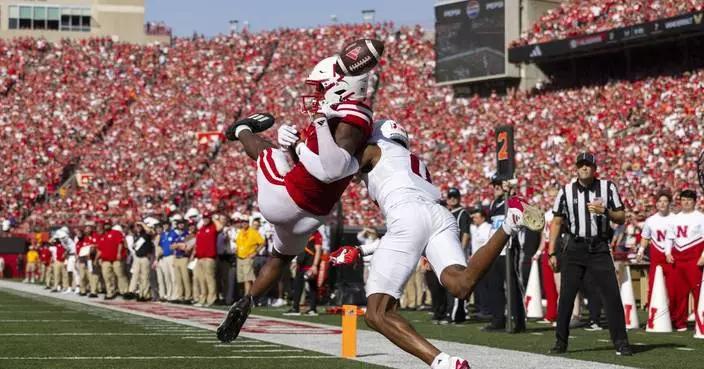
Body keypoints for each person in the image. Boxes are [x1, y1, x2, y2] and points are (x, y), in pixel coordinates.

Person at [329, 120, 542, 369]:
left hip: (407, 213)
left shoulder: (377, 149)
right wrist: (361, 250)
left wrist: (304, 145)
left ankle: (442, 363)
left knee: (377, 313)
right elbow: (411, 224)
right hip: (439, 216)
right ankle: (510, 223)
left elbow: (338, 165)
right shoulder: (413, 160)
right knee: (460, 284)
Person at [217, 55, 374, 343]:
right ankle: (247, 302)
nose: (316, 94)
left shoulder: (351, 117)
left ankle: (240, 129)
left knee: (269, 153)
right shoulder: (346, 116)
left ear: (339, 86)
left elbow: (330, 169)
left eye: (320, 87)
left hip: (286, 199)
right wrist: (299, 143)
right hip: (313, 215)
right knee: (280, 257)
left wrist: (295, 145)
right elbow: (327, 161)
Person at [547, 152, 631, 356]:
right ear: (576, 168)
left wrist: (605, 212)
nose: (584, 168)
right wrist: (551, 251)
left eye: (588, 165)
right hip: (575, 247)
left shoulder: (607, 187)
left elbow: (621, 217)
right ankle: (560, 342)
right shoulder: (566, 191)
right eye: (581, 165)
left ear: (595, 168)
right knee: (566, 296)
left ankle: (621, 342)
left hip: (599, 247)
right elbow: (556, 221)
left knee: (611, 295)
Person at [483, 174, 526, 332]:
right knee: (495, 286)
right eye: (493, 185)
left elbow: (520, 207)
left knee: (513, 286)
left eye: (498, 185)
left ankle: (518, 321)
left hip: (509, 248)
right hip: (495, 250)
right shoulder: (494, 203)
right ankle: (497, 319)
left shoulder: (511, 201)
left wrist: (512, 192)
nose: (495, 188)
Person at [666, 189, 704, 331]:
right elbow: (669, 237)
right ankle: (678, 322)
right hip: (678, 258)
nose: (686, 203)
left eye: (689, 200)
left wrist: (703, 256)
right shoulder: (674, 218)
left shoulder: (700, 217)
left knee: (699, 292)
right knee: (677, 292)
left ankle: (701, 322)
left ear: (694, 202)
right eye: (683, 200)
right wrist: (668, 252)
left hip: (695, 259)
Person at [636, 191, 675, 314]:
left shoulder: (676, 219)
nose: (662, 204)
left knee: (673, 286)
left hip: (673, 255)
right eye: (659, 201)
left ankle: (673, 315)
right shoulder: (650, 220)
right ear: (656, 204)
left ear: (669, 203)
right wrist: (640, 251)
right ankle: (653, 313)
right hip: (656, 255)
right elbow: (645, 237)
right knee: (653, 284)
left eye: (665, 201)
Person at [284, 230, 323, 316]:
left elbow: (318, 250)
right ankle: (295, 308)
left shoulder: (316, 234)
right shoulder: (303, 233)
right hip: (300, 264)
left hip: (310, 264)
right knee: (297, 286)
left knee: (312, 286)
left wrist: (315, 265)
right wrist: (295, 261)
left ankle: (313, 309)